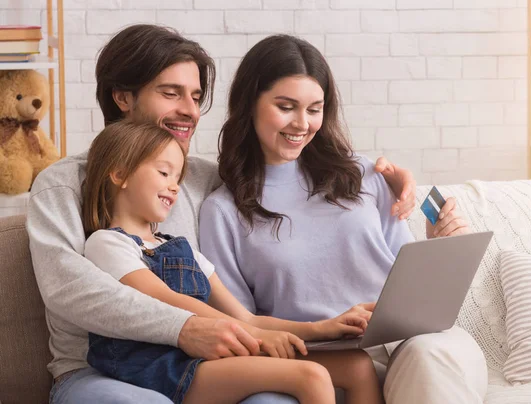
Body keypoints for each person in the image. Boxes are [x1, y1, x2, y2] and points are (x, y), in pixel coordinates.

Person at [27, 24, 417, 404]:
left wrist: (380, 179)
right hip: (99, 370)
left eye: (196, 97)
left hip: (207, 358)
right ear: (123, 98)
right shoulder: (62, 184)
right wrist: (187, 329)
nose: (190, 111)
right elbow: (72, 291)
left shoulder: (205, 180)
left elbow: (291, 195)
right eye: (171, 94)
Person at [198, 34, 488, 404]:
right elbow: (242, 325)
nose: (302, 123)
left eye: (314, 108)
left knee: (428, 357)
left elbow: (410, 280)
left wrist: (443, 245)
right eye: (286, 106)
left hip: (412, 346)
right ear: (249, 104)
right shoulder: (223, 212)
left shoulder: (362, 174)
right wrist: (321, 331)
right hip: (318, 363)